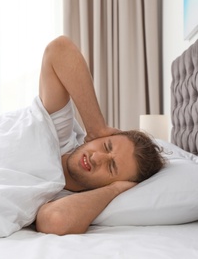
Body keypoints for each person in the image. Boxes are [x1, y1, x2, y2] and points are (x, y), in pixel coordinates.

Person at [34, 36, 165, 235]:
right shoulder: (59, 134)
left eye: (111, 167)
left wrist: (115, 191)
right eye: (107, 146)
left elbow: (54, 220)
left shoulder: (70, 199)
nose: (96, 158)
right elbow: (59, 50)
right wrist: (97, 128)